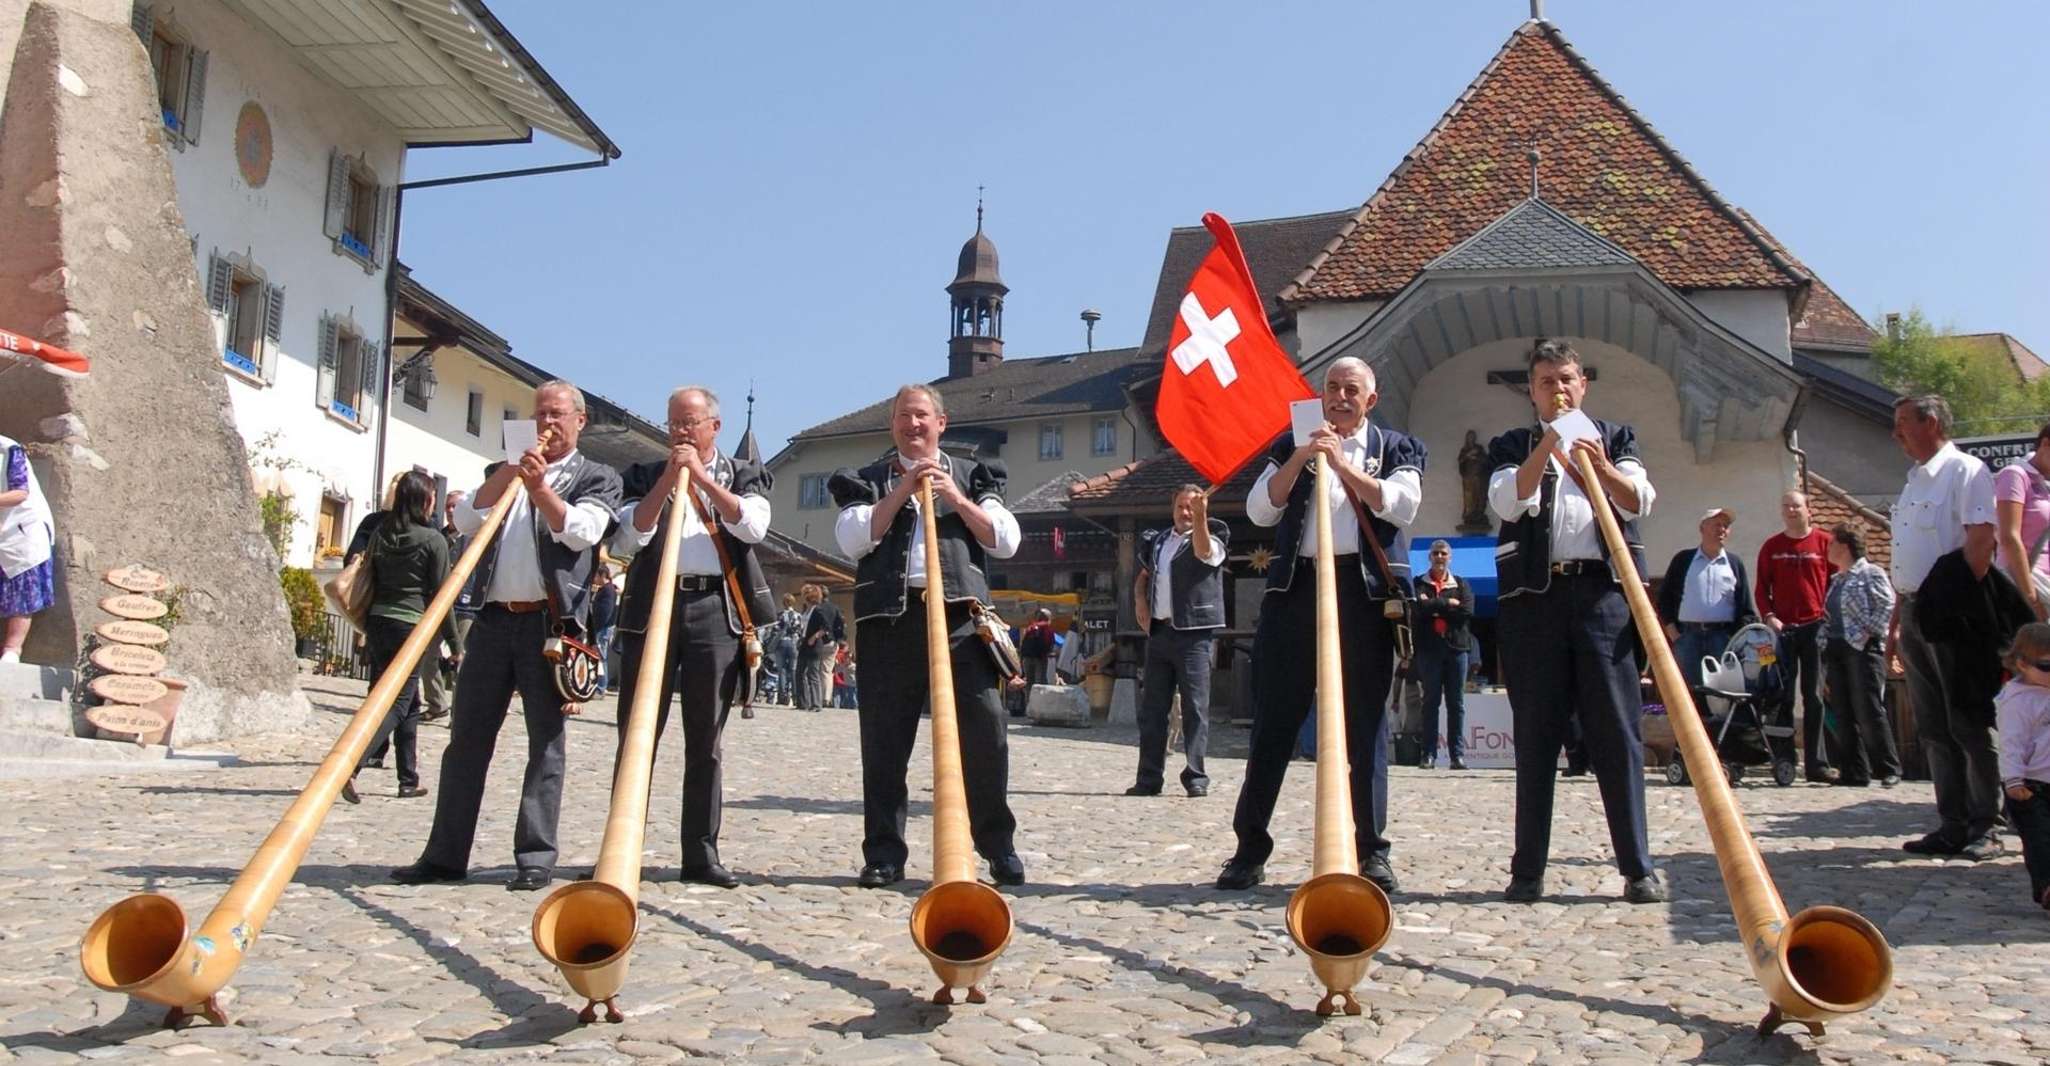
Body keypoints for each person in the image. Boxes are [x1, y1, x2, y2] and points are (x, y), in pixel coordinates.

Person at [391, 380, 622, 892]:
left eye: (558, 415)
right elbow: (466, 519)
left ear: (579, 421)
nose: (547, 424)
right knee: (466, 740)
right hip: (494, 619)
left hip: (549, 623)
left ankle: (535, 856)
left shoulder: (596, 476)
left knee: (545, 743)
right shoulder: (505, 471)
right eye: (540, 414)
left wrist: (540, 488)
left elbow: (581, 532)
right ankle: (445, 855)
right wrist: (511, 474)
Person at [1217, 357, 1422, 896]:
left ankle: (1371, 851)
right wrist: (1306, 453)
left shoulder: (1396, 447)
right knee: (1274, 723)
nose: (1339, 397)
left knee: (1365, 725)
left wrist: (1345, 466)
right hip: (1296, 590)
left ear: (1370, 400)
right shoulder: (1292, 443)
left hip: (1363, 592)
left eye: (1350, 389)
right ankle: (1249, 848)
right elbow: (1262, 510)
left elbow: (1401, 505)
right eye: (1331, 387)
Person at [1488, 339, 1665, 905]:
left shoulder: (1616, 437)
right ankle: (1527, 869)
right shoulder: (1514, 443)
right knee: (1537, 736)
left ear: (1582, 383)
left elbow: (1639, 500)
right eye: (1545, 382)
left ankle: (1637, 867)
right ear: (1532, 390)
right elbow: (1507, 501)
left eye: (1565, 379)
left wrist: (1599, 466)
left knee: (1617, 732)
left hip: (1601, 597)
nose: (1557, 389)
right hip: (1534, 603)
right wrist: (1547, 445)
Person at [831, 383, 1024, 888]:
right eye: (902, 417)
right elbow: (854, 539)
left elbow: (1004, 541)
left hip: (961, 620)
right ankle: (885, 855)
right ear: (892, 425)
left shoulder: (973, 475)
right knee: (885, 743)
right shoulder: (867, 478)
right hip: (889, 624)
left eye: (921, 417)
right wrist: (902, 489)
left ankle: (997, 847)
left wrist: (953, 496)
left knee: (985, 735)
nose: (912, 425)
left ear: (941, 423)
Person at [610, 385, 775, 889]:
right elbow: (626, 537)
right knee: (636, 734)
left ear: (714, 428)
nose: (680, 431)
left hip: (713, 609)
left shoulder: (743, 474)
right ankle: (620, 850)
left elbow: (753, 529)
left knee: (706, 739)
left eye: (690, 422)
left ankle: (701, 853)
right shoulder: (641, 474)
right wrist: (667, 481)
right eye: (674, 423)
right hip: (651, 605)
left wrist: (700, 478)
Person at [1888, 394, 2003, 861]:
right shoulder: (1913, 481)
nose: (1895, 433)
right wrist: (1897, 620)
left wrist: (1957, 606)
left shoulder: (1966, 472)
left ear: (1931, 422)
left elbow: (1980, 542)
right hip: (1915, 608)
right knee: (1932, 725)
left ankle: (1986, 824)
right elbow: (1905, 553)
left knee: (1968, 721)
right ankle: (1951, 822)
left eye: (1902, 423)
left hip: (1950, 612)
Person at [340, 470, 448, 804]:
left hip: (377, 622)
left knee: (404, 702)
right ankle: (351, 765)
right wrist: (455, 645)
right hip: (409, 625)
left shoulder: (379, 532)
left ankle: (408, 778)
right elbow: (443, 595)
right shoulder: (432, 540)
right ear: (425, 500)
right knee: (400, 702)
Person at [1128, 484, 1229, 798]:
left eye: (1191, 507)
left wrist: (1201, 517)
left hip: (1194, 634)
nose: (1185, 513)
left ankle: (1196, 776)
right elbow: (1145, 576)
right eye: (1181, 507)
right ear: (1172, 508)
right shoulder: (1157, 541)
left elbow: (1203, 553)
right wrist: (1140, 602)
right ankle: (1149, 778)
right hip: (1160, 632)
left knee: (1195, 708)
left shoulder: (1213, 535)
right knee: (1153, 710)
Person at [1756, 491, 1838, 782]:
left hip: (1816, 628)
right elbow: (1761, 589)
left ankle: (1817, 764)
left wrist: (1828, 615)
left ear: (1808, 510)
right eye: (1786, 506)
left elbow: (1836, 582)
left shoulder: (1825, 543)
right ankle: (1784, 759)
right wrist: (1769, 617)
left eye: (1796, 505)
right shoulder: (1772, 547)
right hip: (1783, 632)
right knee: (1783, 696)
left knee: (1814, 696)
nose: (1791, 510)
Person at [1820, 523, 1900, 788]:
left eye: (1832, 544)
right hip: (1836, 648)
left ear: (1844, 546)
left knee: (1869, 709)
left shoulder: (1870, 572)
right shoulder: (1836, 580)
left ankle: (1888, 768)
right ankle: (1854, 771)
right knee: (1842, 710)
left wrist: (1868, 633)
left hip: (1862, 649)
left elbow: (1886, 604)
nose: (1828, 549)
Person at [1656, 508, 1757, 691]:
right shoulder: (1683, 560)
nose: (1722, 530)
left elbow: (1745, 607)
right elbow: (1664, 599)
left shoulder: (1734, 564)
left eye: (1726, 526)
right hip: (1687, 637)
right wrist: (1674, 634)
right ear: (1702, 528)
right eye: (1717, 525)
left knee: (1721, 693)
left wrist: (1734, 639)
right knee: (1687, 692)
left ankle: (1716, 721)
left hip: (1722, 638)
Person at [1995, 623, 2050, 912]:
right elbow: (2012, 744)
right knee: (2039, 839)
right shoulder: (2017, 702)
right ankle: (2046, 887)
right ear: (2022, 664)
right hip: (2030, 785)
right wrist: (2013, 780)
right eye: (2047, 666)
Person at [1413, 539, 1474, 769]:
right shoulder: (1419, 583)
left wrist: (1434, 606)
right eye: (1436, 553)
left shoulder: (1461, 583)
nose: (1439, 557)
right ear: (1429, 557)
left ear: (1450, 557)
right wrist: (1448, 602)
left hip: (1456, 650)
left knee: (1456, 704)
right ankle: (1428, 754)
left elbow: (1466, 612)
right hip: (1429, 650)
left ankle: (1457, 755)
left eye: (1443, 553)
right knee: (1430, 702)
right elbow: (1417, 609)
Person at [0, 433, 55, 664]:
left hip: (22, 529)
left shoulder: (9, 449)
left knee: (22, 589)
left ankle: (12, 651)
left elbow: (20, 492)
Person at [420, 489, 468, 722]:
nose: (450, 511)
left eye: (455, 506)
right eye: (448, 506)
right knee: (427, 655)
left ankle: (459, 715)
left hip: (464, 607)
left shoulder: (473, 537)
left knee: (461, 659)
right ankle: (437, 703)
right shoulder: (438, 537)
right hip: (439, 605)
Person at [1994, 423, 2050, 622]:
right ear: (2045, 444)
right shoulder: (2015, 476)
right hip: (2023, 587)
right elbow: (2009, 537)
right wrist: (2031, 599)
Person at [799, 584, 843, 711]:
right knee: (814, 672)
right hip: (811, 642)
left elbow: (826, 626)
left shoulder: (819, 610)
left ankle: (819, 702)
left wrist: (815, 636)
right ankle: (809, 701)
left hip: (819, 643)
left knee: (817, 672)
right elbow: (840, 623)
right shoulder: (808, 609)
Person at [588, 559, 619, 695]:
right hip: (600, 627)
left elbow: (605, 612)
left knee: (601, 657)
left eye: (596, 575)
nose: (594, 579)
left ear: (602, 575)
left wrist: (597, 628)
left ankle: (601, 686)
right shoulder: (604, 590)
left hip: (603, 628)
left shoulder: (608, 590)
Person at [774, 593, 802, 705]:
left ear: (783, 602)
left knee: (782, 671)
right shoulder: (798, 615)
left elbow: (775, 629)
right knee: (794, 670)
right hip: (793, 643)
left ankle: (782, 697)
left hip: (781, 643)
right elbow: (800, 630)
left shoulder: (779, 615)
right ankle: (795, 698)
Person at [1019, 608, 1056, 686]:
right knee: (1039, 684)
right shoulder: (1048, 629)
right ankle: (1037, 698)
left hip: (1027, 659)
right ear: (1048, 618)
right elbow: (1050, 644)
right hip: (1040, 659)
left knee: (1029, 683)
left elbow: (1024, 643)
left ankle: (1027, 698)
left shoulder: (1031, 628)